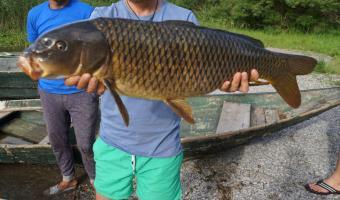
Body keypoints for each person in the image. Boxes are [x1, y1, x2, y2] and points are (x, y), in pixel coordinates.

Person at [65, 1, 260, 199]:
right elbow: (94, 81)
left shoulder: (184, 18)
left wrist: (223, 81)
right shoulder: (102, 18)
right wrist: (93, 84)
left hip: (162, 147)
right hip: (112, 144)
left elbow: (198, 77)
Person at [19, 0, 97, 195]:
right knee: (56, 139)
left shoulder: (88, 11)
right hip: (48, 91)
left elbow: (98, 50)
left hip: (82, 91)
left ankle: (97, 179)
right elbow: (35, 51)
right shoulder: (34, 14)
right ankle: (68, 178)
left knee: (86, 143)